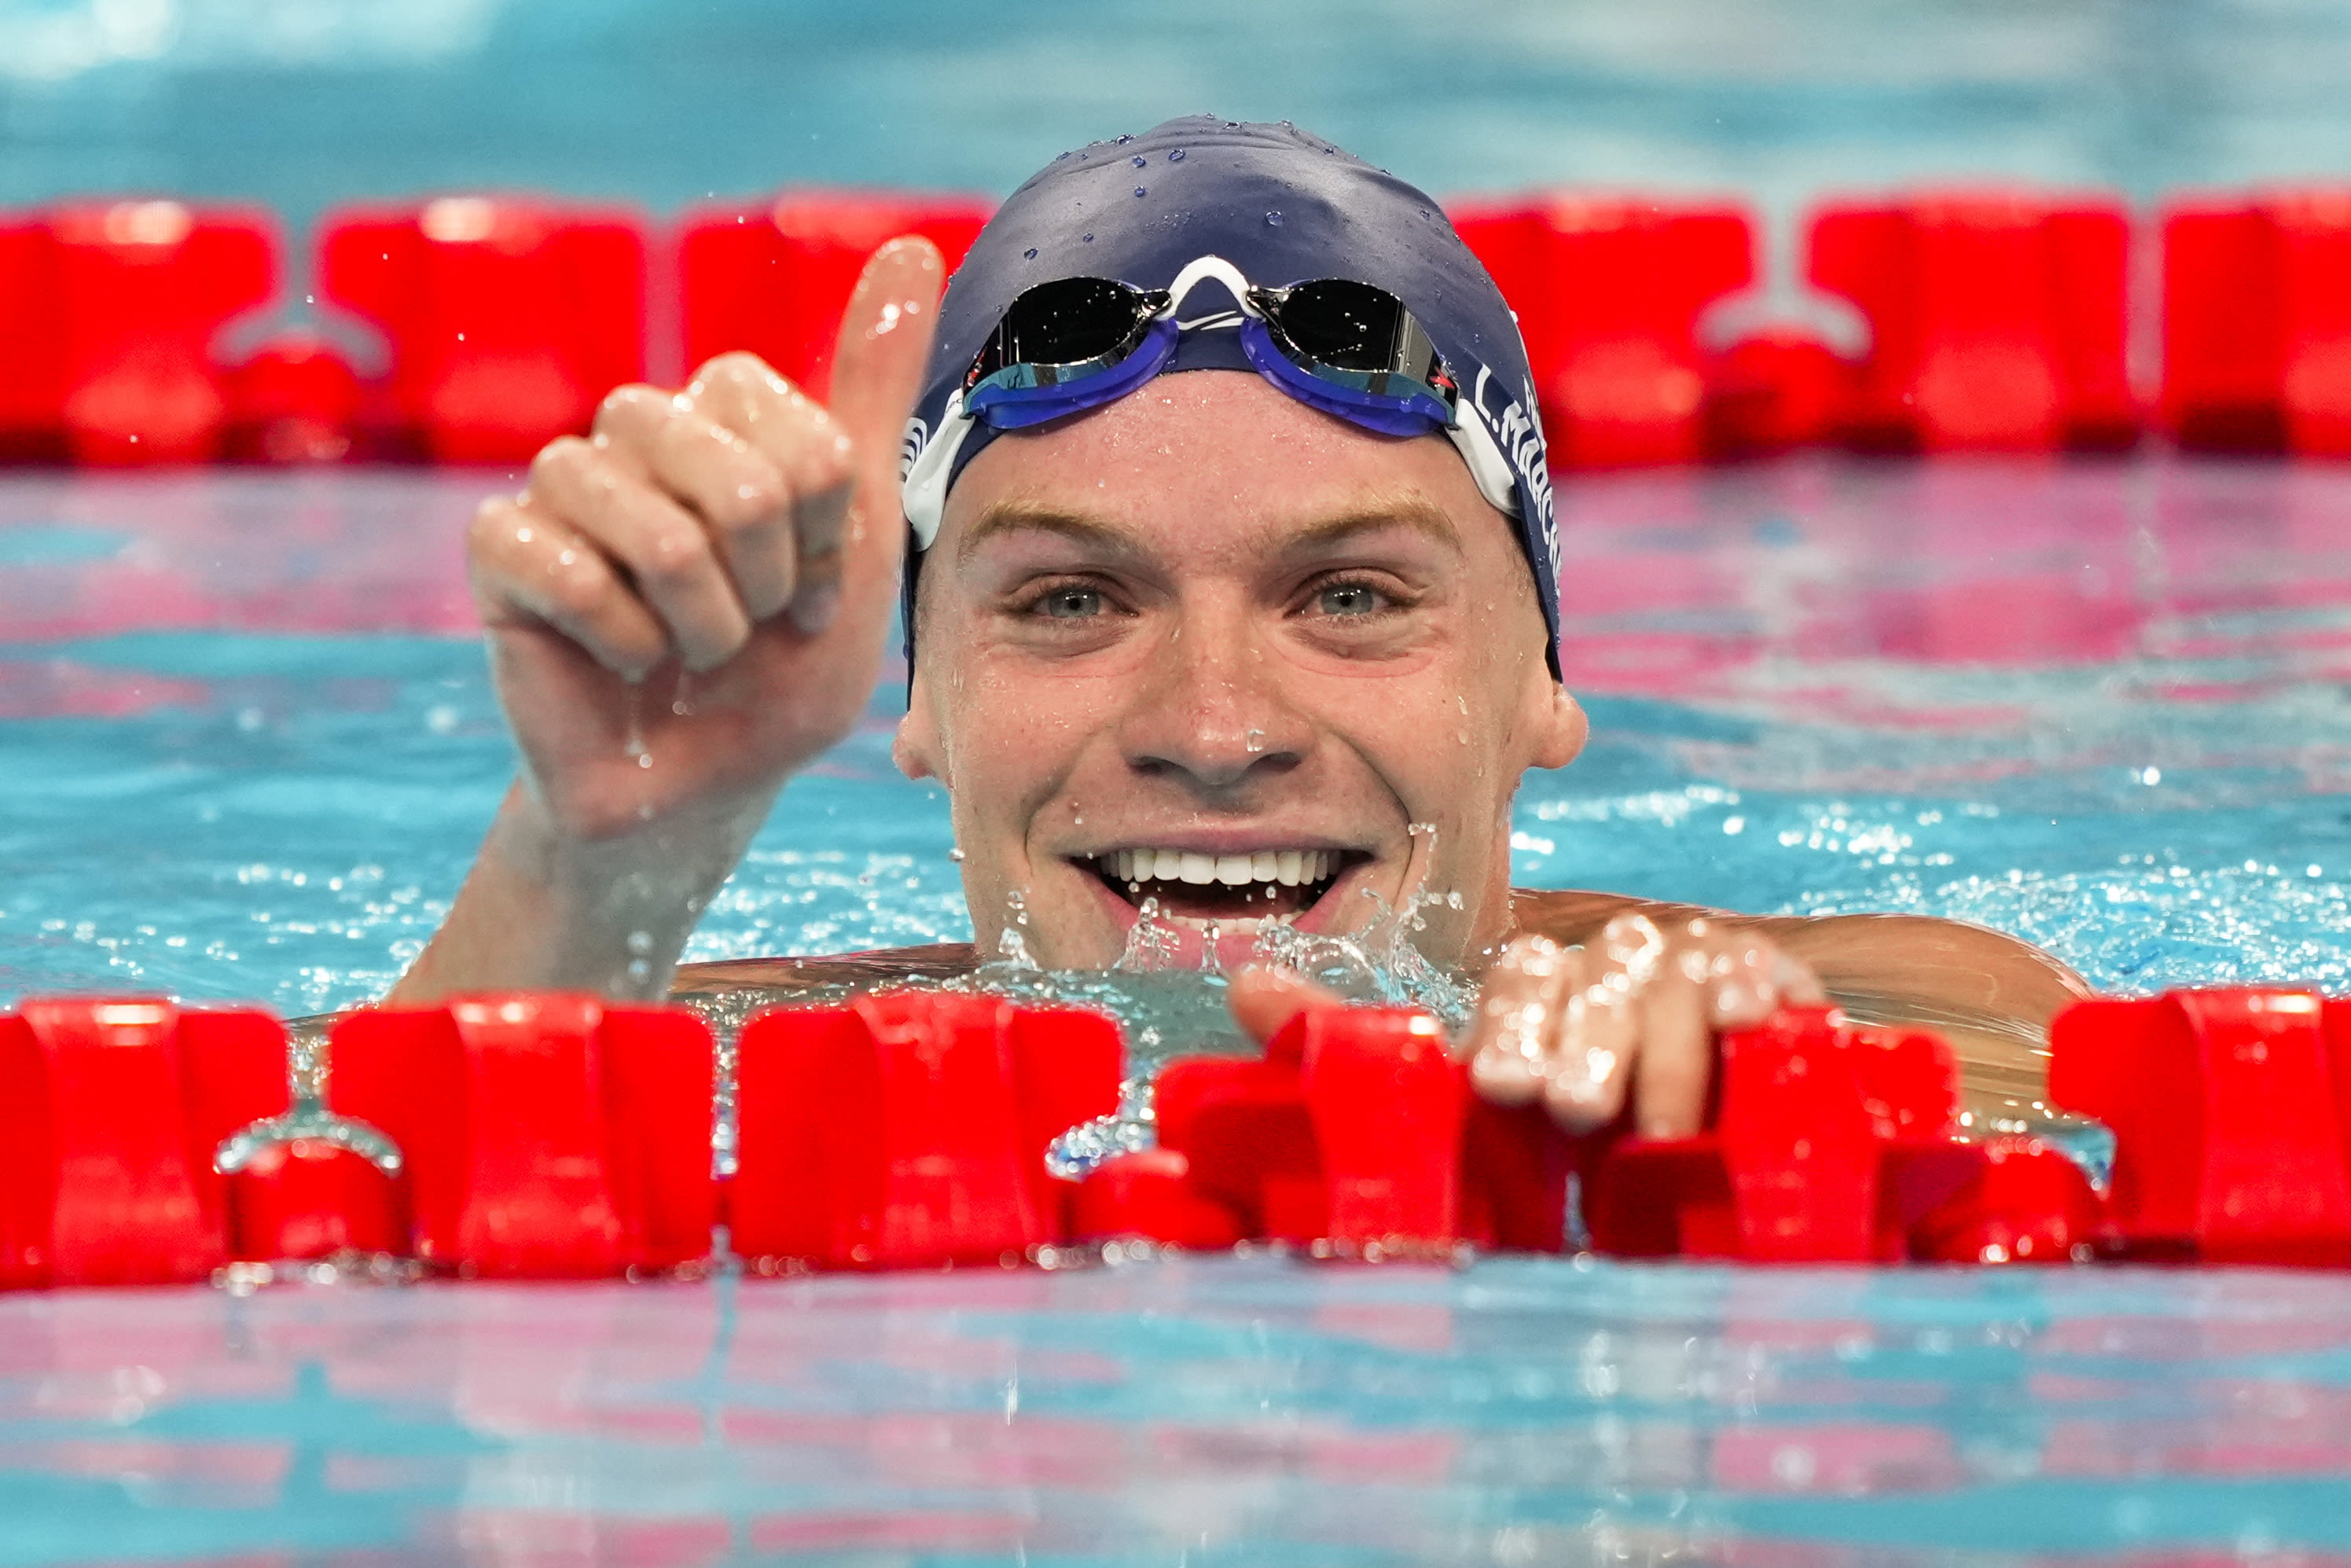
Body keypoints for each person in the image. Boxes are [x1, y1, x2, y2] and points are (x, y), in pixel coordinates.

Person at [390, 116, 2087, 1137]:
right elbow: (286, 1163)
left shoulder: (1881, 1003)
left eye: (1349, 596)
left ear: (1543, 684)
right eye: (1070, 599)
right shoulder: (740, 1053)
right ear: (921, 704)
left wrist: (1784, 1112)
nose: (1214, 727)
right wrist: (604, 850)